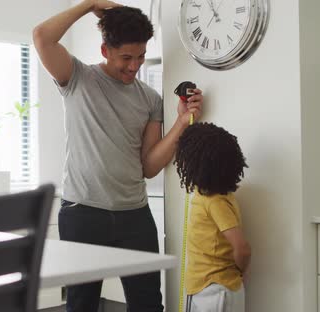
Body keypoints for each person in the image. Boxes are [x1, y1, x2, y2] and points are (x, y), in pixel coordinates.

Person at [33, 1, 203, 311]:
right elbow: (43, 37)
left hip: (134, 215)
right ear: (105, 50)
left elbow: (149, 166)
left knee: (148, 304)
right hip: (82, 213)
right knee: (82, 304)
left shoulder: (149, 99)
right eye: (126, 57)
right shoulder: (77, 78)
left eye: (140, 57)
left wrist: (180, 122)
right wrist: (89, 5)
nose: (134, 65)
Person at [173, 122, 251, 312]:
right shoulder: (208, 195)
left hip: (213, 291)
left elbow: (242, 249)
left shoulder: (215, 201)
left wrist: (239, 272)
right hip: (211, 289)